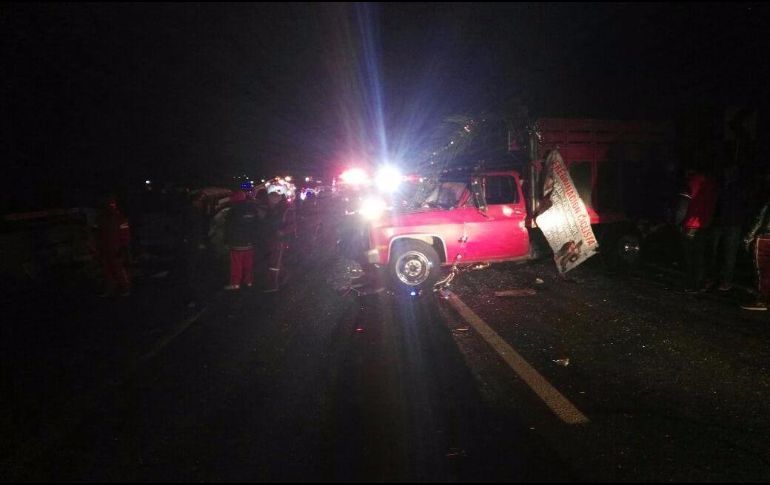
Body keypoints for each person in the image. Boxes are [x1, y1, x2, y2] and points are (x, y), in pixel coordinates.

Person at [679, 168, 718, 292]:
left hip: (690, 225)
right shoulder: (711, 185)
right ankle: (699, 284)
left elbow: (682, 206)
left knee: (690, 257)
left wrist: (678, 222)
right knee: (700, 256)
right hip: (704, 225)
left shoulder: (691, 184)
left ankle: (691, 284)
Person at [708, 164, 744, 291]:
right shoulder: (720, 185)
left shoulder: (740, 188)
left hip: (733, 224)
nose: (727, 173)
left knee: (729, 254)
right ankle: (714, 278)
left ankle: (726, 281)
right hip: (719, 223)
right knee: (714, 252)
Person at [223, 189, 262, 290]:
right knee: (248, 262)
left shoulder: (233, 210)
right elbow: (257, 226)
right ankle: (248, 281)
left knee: (236, 264)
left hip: (237, 243)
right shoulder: (252, 209)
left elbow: (228, 227)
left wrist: (226, 241)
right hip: (249, 242)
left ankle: (235, 283)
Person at [94, 194, 131, 297]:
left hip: (116, 247)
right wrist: (97, 247)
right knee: (106, 269)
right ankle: (110, 289)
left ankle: (125, 288)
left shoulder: (120, 218)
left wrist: (124, 246)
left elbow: (125, 233)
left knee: (118, 268)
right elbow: (96, 233)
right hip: (105, 247)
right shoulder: (101, 218)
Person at [741, 191, 770, 310]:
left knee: (763, 270)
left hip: (766, 236)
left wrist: (749, 237)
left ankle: (762, 300)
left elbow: (760, 218)